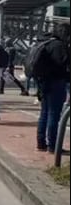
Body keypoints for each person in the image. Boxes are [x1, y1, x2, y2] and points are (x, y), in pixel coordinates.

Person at [35, 23, 70, 152]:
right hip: (56, 82)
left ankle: (41, 143)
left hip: (43, 82)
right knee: (54, 114)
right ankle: (53, 145)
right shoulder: (59, 46)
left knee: (44, 113)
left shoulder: (46, 43)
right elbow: (63, 65)